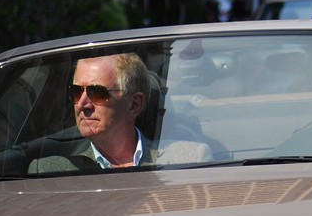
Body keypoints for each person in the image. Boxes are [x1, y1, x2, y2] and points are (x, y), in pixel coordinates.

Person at [29, 53, 212, 173]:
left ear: (134, 104)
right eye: (76, 92)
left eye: (96, 93)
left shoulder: (190, 159)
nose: (82, 104)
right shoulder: (49, 170)